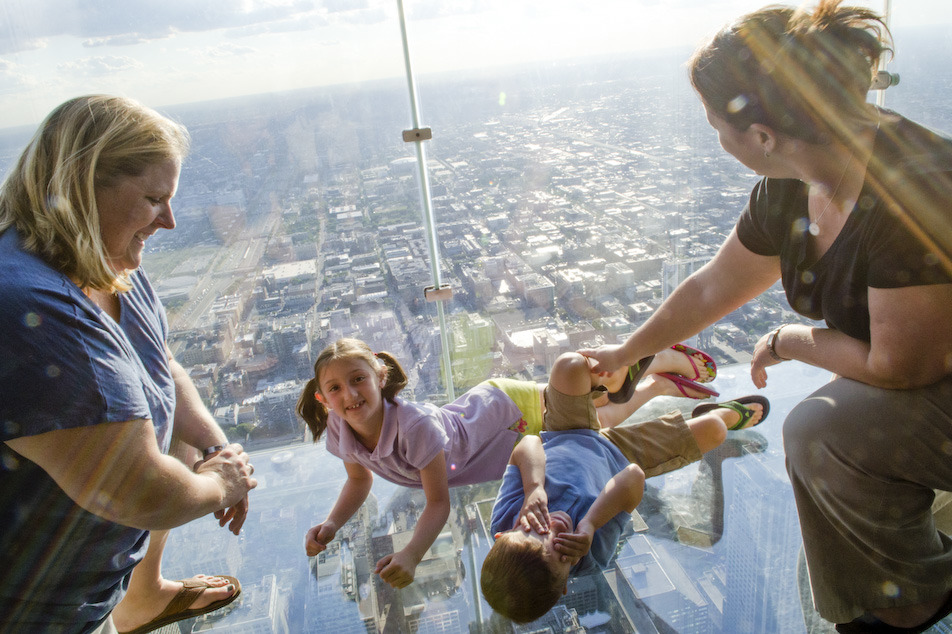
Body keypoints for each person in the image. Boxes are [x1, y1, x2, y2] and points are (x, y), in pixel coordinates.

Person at [580, 2, 952, 632]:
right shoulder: (792, 181)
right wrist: (626, 355)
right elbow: (712, 289)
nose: (716, 140)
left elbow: (897, 363)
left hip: (926, 372)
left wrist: (789, 341)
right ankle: (882, 604)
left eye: (714, 123)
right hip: (922, 370)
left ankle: (909, 604)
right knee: (822, 429)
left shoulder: (910, 186)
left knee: (823, 431)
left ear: (761, 135)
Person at [0, 95, 258, 634]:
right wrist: (220, 486)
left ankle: (140, 598)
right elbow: (132, 488)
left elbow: (159, 368)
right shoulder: (29, 309)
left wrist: (216, 449)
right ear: (80, 185)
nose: (169, 220)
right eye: (153, 199)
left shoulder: (108, 263)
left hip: (81, 590)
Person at [298, 337, 720, 589]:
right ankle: (659, 383)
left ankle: (658, 360)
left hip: (504, 416)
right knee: (598, 416)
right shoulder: (340, 428)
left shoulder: (414, 428)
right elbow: (358, 480)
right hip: (490, 427)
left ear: (379, 377)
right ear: (323, 398)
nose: (350, 395)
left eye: (358, 379)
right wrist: (333, 524)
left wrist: (412, 554)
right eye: (335, 388)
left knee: (599, 415)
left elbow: (438, 504)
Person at [479, 350, 769, 624]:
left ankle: (624, 381)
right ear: (567, 582)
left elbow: (529, 444)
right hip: (619, 456)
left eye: (535, 529)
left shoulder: (504, 516)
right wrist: (591, 524)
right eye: (561, 551)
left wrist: (534, 489)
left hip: (566, 432)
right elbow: (632, 477)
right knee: (715, 431)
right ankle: (722, 413)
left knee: (569, 365)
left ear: (504, 533)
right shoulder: (591, 556)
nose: (555, 527)